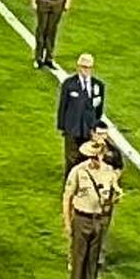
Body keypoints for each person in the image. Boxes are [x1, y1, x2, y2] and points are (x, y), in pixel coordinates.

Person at [63, 141, 122, 279]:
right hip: (82, 217)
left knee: (92, 259)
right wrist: (67, 222)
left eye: (94, 156)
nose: (92, 159)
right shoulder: (78, 172)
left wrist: (116, 196)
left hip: (98, 218)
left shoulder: (108, 172)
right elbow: (67, 197)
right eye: (89, 156)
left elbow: (114, 191)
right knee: (79, 258)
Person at [57, 53, 106, 182]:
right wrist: (62, 126)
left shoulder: (98, 86)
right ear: (78, 67)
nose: (86, 70)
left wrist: (95, 126)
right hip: (72, 128)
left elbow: (99, 108)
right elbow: (63, 106)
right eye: (84, 67)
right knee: (72, 159)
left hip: (88, 128)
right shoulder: (69, 84)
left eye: (89, 67)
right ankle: (69, 185)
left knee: (87, 157)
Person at [30, 0, 73, 69]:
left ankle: (49, 58)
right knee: (42, 29)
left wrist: (68, 1)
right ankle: (38, 57)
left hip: (58, 0)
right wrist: (33, 0)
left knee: (52, 30)